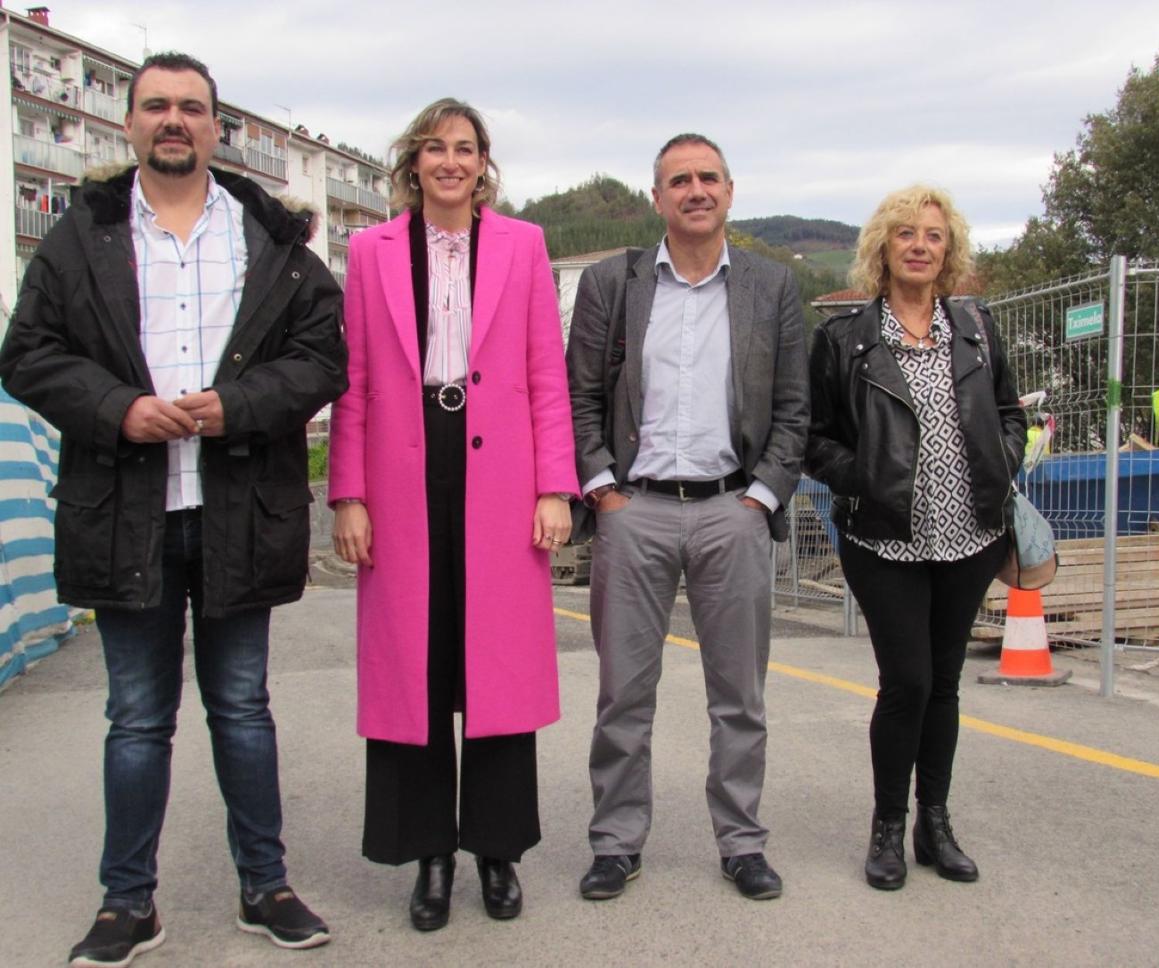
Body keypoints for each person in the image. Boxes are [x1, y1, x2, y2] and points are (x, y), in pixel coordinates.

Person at [0, 52, 345, 964]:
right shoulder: (83, 235)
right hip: (125, 510)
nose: (173, 121)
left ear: (216, 126)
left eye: (191, 107)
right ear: (130, 123)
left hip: (238, 508)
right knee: (137, 717)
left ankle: (265, 886)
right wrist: (120, 409)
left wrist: (239, 405)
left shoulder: (271, 237)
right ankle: (128, 903)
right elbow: (27, 353)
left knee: (243, 707)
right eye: (156, 106)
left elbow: (322, 358)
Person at [328, 98, 577, 931]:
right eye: (434, 148)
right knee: (419, 669)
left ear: (483, 164)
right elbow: (354, 381)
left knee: (496, 669)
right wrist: (349, 495)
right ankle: (429, 854)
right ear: (412, 163)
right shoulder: (369, 250)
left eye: (464, 149)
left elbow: (547, 372)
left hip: (502, 474)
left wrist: (554, 486)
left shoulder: (524, 244)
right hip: (404, 474)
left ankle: (498, 851)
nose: (450, 161)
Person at [566, 133, 808, 902]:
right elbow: (579, 395)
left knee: (739, 696)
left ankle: (741, 841)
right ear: (657, 198)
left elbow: (796, 410)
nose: (695, 190)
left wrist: (761, 497)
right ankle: (615, 842)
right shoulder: (614, 282)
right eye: (679, 180)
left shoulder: (772, 287)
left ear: (730, 192)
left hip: (731, 511)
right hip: (633, 511)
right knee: (624, 694)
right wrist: (603, 489)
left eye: (708, 178)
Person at [805, 185, 1026, 891]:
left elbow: (1011, 413)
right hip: (884, 539)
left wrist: (1004, 460)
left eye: (933, 234)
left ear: (949, 247)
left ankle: (937, 822)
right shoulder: (845, 339)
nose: (920, 245)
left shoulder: (976, 328)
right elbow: (815, 438)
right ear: (883, 247)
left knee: (946, 684)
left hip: (971, 534)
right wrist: (862, 477)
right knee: (907, 682)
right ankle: (888, 828)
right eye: (906, 233)